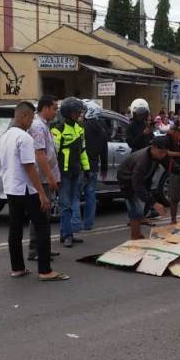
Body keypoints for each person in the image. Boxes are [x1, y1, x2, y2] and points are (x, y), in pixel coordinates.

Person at [0, 102, 68, 281]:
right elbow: (29, 167)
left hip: (11, 188)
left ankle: (17, 268)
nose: (31, 122)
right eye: (30, 118)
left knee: (15, 229)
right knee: (42, 226)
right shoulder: (24, 138)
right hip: (26, 189)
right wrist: (41, 193)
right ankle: (45, 270)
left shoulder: (5, 136)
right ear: (23, 116)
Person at [117, 135, 171, 240]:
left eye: (165, 152)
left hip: (140, 181)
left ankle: (137, 233)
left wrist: (179, 170)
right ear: (153, 148)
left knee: (139, 211)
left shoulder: (158, 155)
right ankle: (135, 236)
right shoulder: (142, 160)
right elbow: (137, 185)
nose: (163, 155)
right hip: (127, 181)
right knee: (135, 210)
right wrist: (154, 203)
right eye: (161, 152)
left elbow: (169, 164)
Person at [53, 97, 89, 248]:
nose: (79, 114)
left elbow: (83, 151)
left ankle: (65, 234)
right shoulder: (57, 129)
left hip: (76, 172)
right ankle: (67, 235)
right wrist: (53, 174)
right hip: (63, 173)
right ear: (68, 112)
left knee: (71, 203)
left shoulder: (80, 128)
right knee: (66, 205)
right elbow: (53, 154)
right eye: (76, 112)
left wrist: (86, 169)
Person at [27, 95, 60, 262]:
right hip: (42, 178)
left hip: (45, 177)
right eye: (54, 108)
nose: (56, 112)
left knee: (45, 215)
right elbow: (40, 155)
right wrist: (50, 176)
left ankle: (43, 247)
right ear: (45, 108)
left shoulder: (44, 126)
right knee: (41, 215)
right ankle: (36, 250)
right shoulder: (38, 127)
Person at [82, 100, 108, 231]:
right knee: (90, 196)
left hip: (82, 166)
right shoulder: (102, 131)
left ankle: (74, 223)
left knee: (74, 196)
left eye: (84, 111)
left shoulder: (82, 128)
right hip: (94, 167)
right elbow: (104, 151)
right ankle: (88, 223)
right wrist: (104, 169)